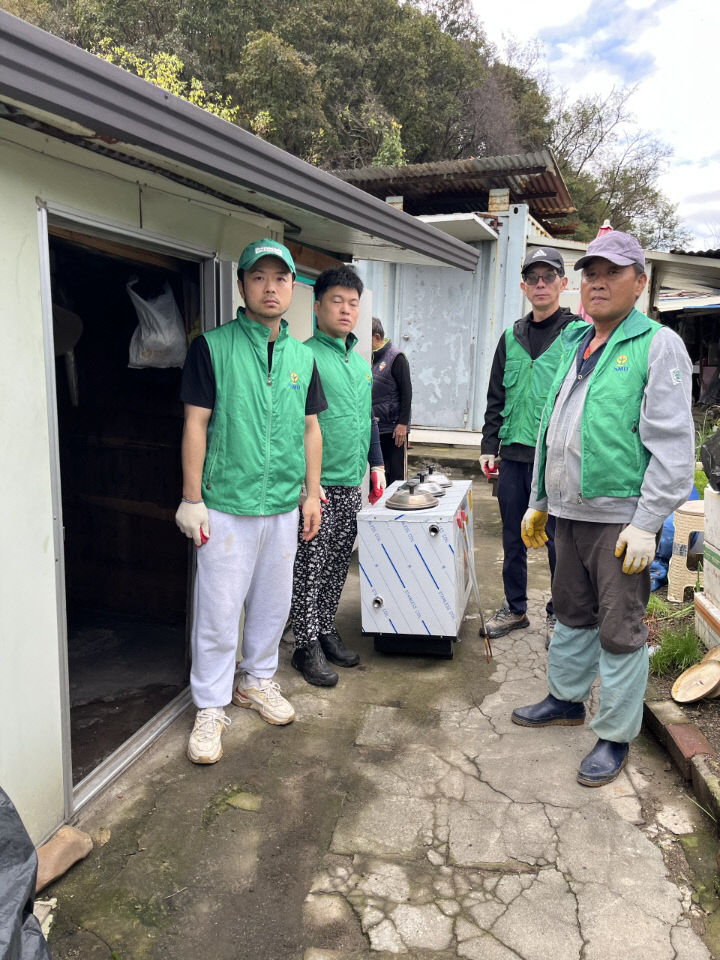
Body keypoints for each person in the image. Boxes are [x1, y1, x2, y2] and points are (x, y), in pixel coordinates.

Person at [513, 231, 694, 787]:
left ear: (639, 282)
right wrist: (540, 500)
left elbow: (672, 446)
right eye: (590, 272)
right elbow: (551, 427)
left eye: (611, 272)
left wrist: (646, 523)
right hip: (568, 514)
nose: (597, 282)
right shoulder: (577, 343)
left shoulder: (657, 344)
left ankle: (614, 735)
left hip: (619, 522)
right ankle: (566, 699)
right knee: (570, 613)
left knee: (619, 629)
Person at [175, 238, 326, 764]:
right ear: (242, 286)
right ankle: (211, 705)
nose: (270, 287)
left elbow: (311, 430)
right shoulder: (212, 347)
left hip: (283, 504)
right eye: (259, 277)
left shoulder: (302, 357)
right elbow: (195, 424)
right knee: (218, 612)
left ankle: (257, 680)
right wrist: (191, 498)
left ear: (291, 288)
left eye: (280, 279)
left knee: (271, 602)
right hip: (225, 504)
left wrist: (313, 493)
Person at [480, 247, 586, 642]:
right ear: (524, 286)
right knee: (512, 536)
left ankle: (560, 612)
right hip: (513, 454)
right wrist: (488, 445)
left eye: (549, 277)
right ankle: (515, 607)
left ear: (563, 283)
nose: (541, 284)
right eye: (533, 278)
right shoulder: (511, 336)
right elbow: (495, 396)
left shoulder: (577, 334)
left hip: (555, 460)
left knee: (559, 540)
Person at [291, 267, 386, 686]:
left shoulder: (363, 364)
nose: (346, 310)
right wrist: (303, 486)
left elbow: (367, 420)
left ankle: (326, 628)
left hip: (352, 479)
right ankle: (304, 644)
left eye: (353, 303)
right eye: (337, 301)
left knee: (336, 563)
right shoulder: (304, 356)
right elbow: (295, 425)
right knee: (309, 565)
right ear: (317, 306)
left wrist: (376, 464)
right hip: (318, 485)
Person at [371, 317, 412, 486]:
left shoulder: (396, 357)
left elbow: (407, 393)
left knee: (395, 477)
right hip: (376, 428)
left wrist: (403, 424)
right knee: (379, 478)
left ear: (377, 337)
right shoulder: (369, 357)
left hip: (394, 429)